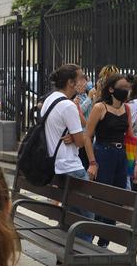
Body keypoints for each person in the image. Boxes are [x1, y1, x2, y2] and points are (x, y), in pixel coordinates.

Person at [41, 64, 97, 244]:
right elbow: (81, 141)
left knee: (67, 214)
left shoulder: (50, 100)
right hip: (71, 166)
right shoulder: (68, 106)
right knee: (85, 217)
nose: (85, 81)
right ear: (71, 83)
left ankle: (64, 254)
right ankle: (81, 257)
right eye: (81, 78)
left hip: (56, 166)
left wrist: (73, 136)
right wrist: (76, 137)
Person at [83, 73, 131, 246]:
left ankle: (105, 241)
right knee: (102, 197)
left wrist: (135, 165)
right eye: (122, 87)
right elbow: (87, 136)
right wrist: (92, 162)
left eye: (127, 87)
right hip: (103, 152)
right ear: (111, 89)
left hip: (121, 155)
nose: (126, 91)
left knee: (117, 198)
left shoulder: (126, 108)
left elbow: (130, 138)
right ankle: (92, 236)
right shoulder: (99, 107)